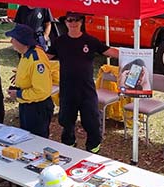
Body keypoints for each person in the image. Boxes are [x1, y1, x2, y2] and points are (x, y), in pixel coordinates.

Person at [47, 11, 119, 153]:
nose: (73, 23)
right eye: (70, 20)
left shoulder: (90, 41)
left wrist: (134, 55)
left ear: (81, 22)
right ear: (65, 22)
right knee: (66, 121)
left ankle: (93, 148)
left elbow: (111, 52)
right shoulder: (59, 41)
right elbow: (44, 57)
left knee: (92, 122)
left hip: (87, 90)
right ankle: (69, 145)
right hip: (67, 90)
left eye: (76, 20)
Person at [6, 23, 55, 139]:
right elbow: (29, 73)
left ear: (22, 41)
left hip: (37, 109)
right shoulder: (26, 54)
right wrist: (19, 76)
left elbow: (41, 91)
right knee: (26, 138)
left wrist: (18, 94)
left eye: (14, 38)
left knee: (36, 141)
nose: (11, 41)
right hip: (27, 104)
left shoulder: (37, 60)